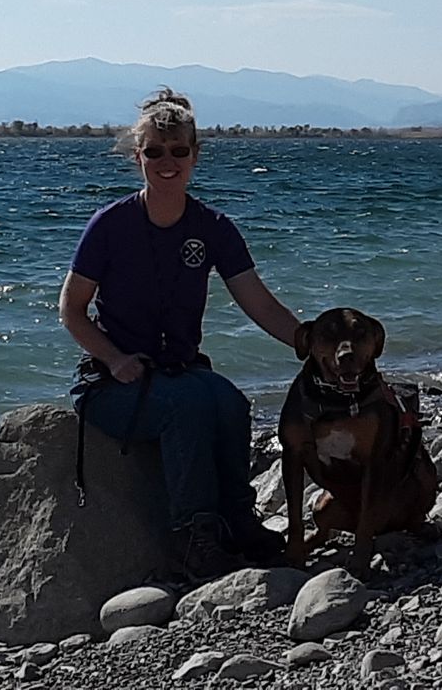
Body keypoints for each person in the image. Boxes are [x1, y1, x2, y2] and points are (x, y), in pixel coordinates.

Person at [59, 88, 302, 580]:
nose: (166, 162)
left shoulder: (213, 227)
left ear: (195, 155)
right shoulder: (109, 225)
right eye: (154, 151)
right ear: (137, 156)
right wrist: (115, 359)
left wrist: (309, 344)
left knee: (229, 401)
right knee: (187, 407)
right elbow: (72, 311)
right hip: (111, 385)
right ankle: (193, 540)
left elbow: (256, 300)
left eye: (178, 151)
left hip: (181, 371)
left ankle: (237, 522)